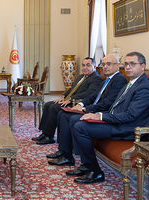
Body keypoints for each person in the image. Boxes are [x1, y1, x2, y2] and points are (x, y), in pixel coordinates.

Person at [68, 52, 149, 184]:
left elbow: (130, 115)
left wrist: (100, 116)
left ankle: (95, 172)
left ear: (142, 66)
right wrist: (96, 115)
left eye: (132, 64)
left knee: (81, 127)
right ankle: (87, 165)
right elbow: (115, 107)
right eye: (126, 64)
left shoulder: (144, 87)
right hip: (117, 121)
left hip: (128, 128)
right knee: (78, 120)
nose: (128, 67)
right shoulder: (130, 83)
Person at [46, 54, 127, 166]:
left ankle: (69, 156)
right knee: (62, 113)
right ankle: (64, 152)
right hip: (93, 108)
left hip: (101, 112)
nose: (105, 67)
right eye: (103, 64)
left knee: (71, 117)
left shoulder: (119, 80)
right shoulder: (106, 80)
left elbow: (107, 104)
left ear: (117, 65)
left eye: (109, 64)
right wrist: (80, 104)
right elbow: (93, 96)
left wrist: (84, 109)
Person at [32, 57, 102, 145]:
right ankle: (44, 133)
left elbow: (89, 93)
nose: (85, 67)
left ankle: (49, 136)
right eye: (83, 65)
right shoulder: (81, 76)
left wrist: (70, 99)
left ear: (94, 67)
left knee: (54, 108)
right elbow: (72, 89)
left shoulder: (96, 78)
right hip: (69, 99)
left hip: (77, 103)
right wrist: (63, 96)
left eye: (88, 65)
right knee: (48, 105)